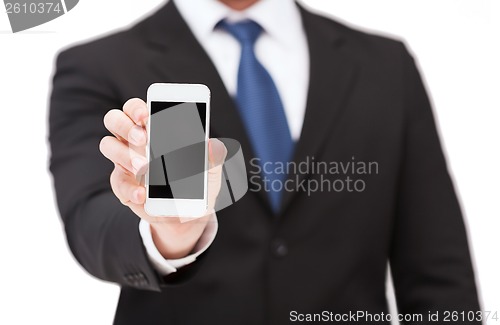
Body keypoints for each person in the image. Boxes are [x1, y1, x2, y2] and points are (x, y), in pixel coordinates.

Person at [49, 0, 481, 324]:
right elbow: (91, 221)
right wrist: (170, 232)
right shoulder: (97, 66)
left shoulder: (386, 67)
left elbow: (439, 271)